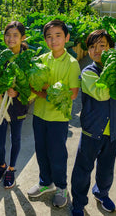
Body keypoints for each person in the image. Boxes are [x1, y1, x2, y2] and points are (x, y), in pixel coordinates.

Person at [71, 29, 116, 215]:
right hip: (91, 132)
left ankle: (101, 193)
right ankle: (78, 203)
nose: (97, 50)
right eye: (92, 47)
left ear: (111, 48)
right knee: (83, 169)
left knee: (106, 169)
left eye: (102, 46)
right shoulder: (88, 72)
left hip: (113, 132)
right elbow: (102, 94)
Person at [27, 19, 81, 208]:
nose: (53, 40)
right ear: (45, 40)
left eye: (58, 35)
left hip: (58, 119)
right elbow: (33, 86)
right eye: (49, 37)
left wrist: (44, 90)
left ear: (66, 38)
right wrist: (50, 92)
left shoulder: (72, 63)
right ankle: (45, 182)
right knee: (41, 151)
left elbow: (72, 94)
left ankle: (61, 187)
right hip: (39, 115)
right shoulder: (41, 59)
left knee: (57, 154)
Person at [0, 21, 29, 189]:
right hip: (0, 106)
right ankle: (2, 165)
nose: (11, 38)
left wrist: (18, 93)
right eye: (8, 35)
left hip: (18, 106)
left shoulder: (26, 59)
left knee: (16, 138)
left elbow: (31, 86)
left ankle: (12, 169)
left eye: (15, 35)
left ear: (23, 38)